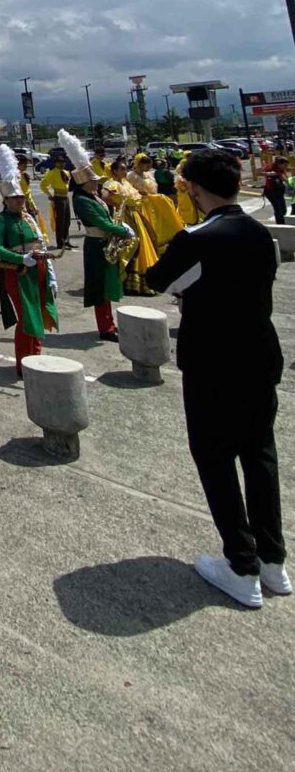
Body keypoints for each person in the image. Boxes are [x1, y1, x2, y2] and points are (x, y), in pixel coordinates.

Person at [144, 149, 285, 609]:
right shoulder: (261, 234)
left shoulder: (198, 237)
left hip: (213, 365)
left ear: (196, 190)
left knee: (216, 458)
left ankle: (241, 565)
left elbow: (158, 280)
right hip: (261, 359)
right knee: (260, 456)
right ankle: (273, 561)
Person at [0, 145, 58, 375]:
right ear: (6, 200)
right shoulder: (0, 222)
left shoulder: (27, 217)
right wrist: (20, 258)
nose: (20, 201)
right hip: (18, 274)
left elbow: (41, 242)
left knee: (38, 313)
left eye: (21, 197)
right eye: (15, 199)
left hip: (37, 268)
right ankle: (23, 362)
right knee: (26, 317)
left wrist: (50, 273)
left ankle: (36, 356)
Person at [61, 129, 131, 343]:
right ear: (84, 183)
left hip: (104, 242)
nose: (96, 183)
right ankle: (105, 327)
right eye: (93, 181)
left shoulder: (93, 196)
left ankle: (109, 323)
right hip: (96, 244)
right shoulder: (82, 200)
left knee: (107, 286)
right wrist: (122, 230)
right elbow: (100, 222)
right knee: (100, 287)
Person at [102, 158, 159, 295]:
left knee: (139, 246)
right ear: (114, 171)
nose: (124, 171)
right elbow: (104, 196)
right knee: (127, 246)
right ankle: (125, 280)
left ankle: (135, 281)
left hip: (135, 216)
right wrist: (116, 205)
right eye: (121, 169)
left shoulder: (126, 182)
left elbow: (137, 197)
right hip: (124, 217)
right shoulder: (112, 183)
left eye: (125, 169)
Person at [128, 153, 185, 250]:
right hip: (141, 203)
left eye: (150, 165)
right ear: (140, 164)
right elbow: (130, 190)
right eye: (147, 165)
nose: (149, 167)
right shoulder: (131, 175)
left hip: (152, 200)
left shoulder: (148, 174)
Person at [40, 149, 73, 249]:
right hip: (58, 197)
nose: (62, 164)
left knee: (67, 220)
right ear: (55, 163)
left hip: (65, 197)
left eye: (63, 162)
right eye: (59, 162)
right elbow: (43, 184)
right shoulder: (52, 173)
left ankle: (66, 240)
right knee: (60, 221)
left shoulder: (66, 172)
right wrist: (49, 194)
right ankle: (60, 242)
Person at [264, 156, 288, 225]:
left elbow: (286, 179)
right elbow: (266, 173)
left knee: (283, 210)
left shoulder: (281, 170)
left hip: (279, 192)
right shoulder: (273, 171)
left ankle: (281, 223)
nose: (286, 166)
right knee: (279, 209)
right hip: (271, 193)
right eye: (285, 165)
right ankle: (280, 224)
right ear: (280, 164)